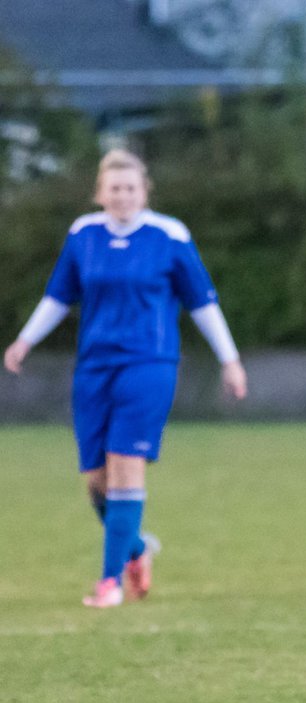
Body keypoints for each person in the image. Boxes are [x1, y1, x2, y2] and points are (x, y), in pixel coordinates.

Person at [3, 148, 247, 608]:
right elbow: (58, 296)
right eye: (114, 188)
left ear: (144, 191)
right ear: (100, 193)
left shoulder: (169, 236)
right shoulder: (83, 235)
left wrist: (229, 359)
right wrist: (25, 340)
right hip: (94, 366)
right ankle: (136, 549)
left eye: (131, 188)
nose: (123, 196)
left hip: (149, 363)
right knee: (96, 479)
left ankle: (109, 582)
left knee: (125, 466)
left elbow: (202, 303)